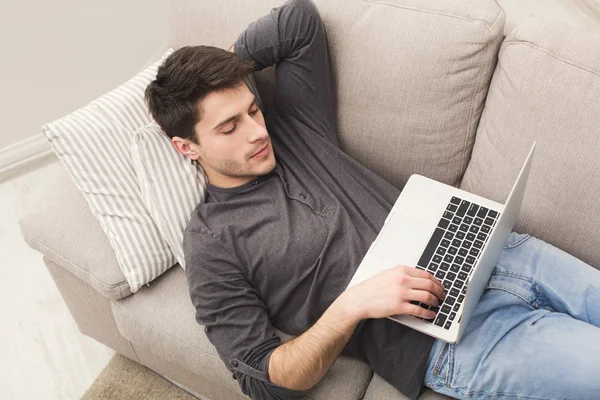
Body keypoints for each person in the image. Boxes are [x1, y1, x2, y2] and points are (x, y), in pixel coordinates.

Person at [144, 0, 600, 399]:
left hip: (496, 249)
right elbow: (266, 382)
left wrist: (223, 72)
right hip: (449, 340)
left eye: (252, 109)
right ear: (185, 146)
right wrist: (353, 304)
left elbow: (298, 21)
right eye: (229, 127)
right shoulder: (211, 244)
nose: (257, 131)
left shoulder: (293, 126)